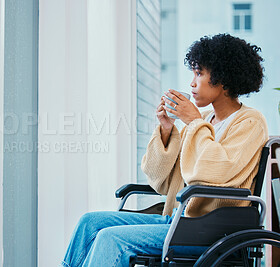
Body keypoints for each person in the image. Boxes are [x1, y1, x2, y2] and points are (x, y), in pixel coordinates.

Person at [61, 33, 268, 267]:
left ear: (223, 80)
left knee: (111, 238)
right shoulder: (205, 121)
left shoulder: (249, 122)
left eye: (199, 74)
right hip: (178, 221)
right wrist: (166, 130)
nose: (192, 83)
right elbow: (160, 181)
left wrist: (192, 122)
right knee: (89, 223)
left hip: (207, 229)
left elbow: (215, 172)